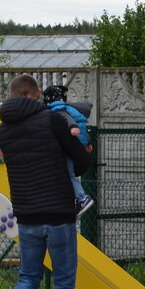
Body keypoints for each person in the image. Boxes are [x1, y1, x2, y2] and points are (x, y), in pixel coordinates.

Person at [0, 74, 94, 289]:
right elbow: (81, 160)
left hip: (26, 216)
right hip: (58, 213)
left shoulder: (3, 131)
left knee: (27, 277)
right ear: (35, 94)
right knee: (63, 282)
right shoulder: (53, 120)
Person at [41, 83, 94, 216]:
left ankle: (82, 198)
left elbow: (68, 120)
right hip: (78, 145)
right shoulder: (72, 109)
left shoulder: (58, 109)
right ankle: (75, 198)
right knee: (69, 173)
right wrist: (88, 141)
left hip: (69, 146)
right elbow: (83, 127)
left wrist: (72, 127)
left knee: (68, 174)